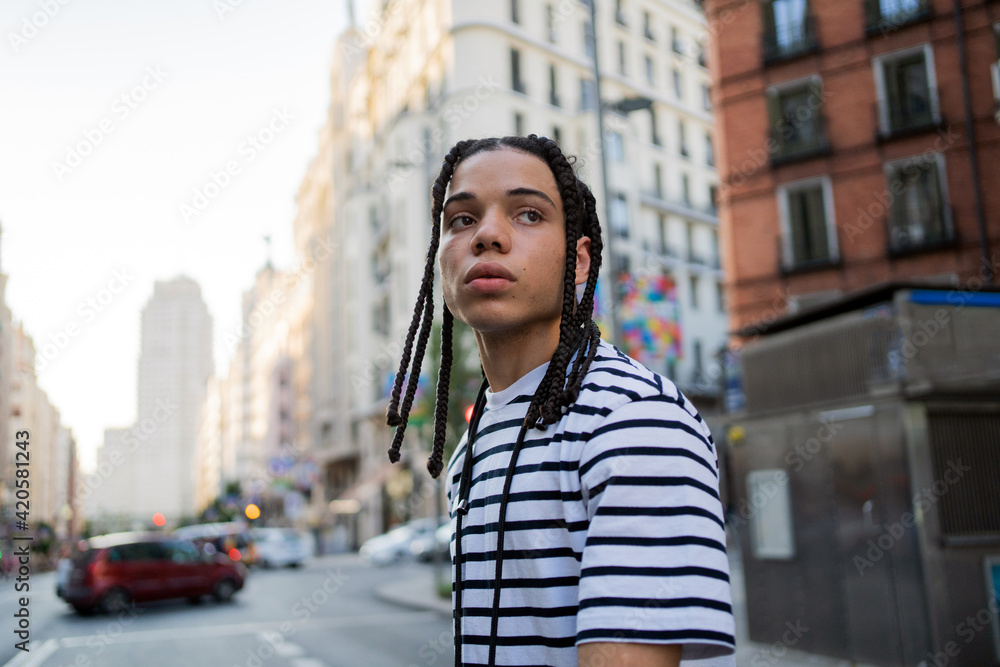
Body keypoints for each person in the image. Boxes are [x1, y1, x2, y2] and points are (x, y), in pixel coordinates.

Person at [386, 135, 735, 667]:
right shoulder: (473, 448)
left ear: (579, 261)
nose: (487, 235)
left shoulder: (636, 422)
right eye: (462, 219)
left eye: (528, 214)